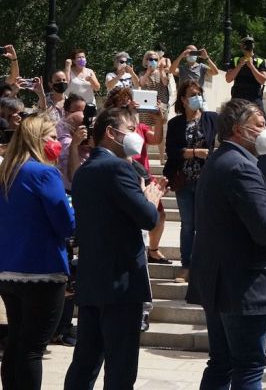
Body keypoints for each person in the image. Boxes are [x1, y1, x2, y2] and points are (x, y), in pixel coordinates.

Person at [185, 98, 266, 390]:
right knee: (249, 366)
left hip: (219, 283)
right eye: (259, 125)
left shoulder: (219, 160)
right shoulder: (242, 167)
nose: (265, 130)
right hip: (242, 287)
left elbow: (247, 215)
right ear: (238, 130)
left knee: (221, 363)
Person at [63, 107, 167, 390]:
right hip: (120, 283)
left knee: (85, 360)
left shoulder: (84, 171)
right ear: (111, 132)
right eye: (130, 128)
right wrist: (150, 197)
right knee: (120, 365)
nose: (136, 135)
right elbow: (147, 218)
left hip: (92, 278)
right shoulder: (118, 168)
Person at [0, 114, 74, 390]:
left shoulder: (6, 170)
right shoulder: (45, 173)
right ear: (38, 139)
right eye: (53, 137)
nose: (56, 143)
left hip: (8, 269)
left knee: (16, 342)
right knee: (33, 348)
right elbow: (65, 224)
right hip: (42, 269)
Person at [103, 87, 168, 266]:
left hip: (143, 175)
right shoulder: (112, 128)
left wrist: (158, 119)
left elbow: (156, 140)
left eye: (129, 100)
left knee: (160, 215)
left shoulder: (138, 126)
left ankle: (153, 250)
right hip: (124, 174)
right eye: (122, 101)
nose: (127, 103)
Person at [163, 80, 217, 283]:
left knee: (205, 224)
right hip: (183, 181)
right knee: (187, 224)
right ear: (184, 100)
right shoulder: (175, 123)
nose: (197, 97)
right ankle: (187, 265)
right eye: (193, 94)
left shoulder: (212, 119)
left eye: (199, 93)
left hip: (207, 181)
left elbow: (218, 145)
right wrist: (194, 152)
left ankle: (204, 264)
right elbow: (172, 152)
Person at [56, 94, 88, 191]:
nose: (81, 115)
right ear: (66, 113)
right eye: (77, 111)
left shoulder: (90, 129)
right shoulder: (59, 133)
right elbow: (73, 177)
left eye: (84, 111)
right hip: (69, 190)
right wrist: (75, 144)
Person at [226, 36, 266, 109]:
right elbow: (228, 79)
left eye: (250, 44)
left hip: (254, 99)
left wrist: (252, 66)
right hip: (238, 98)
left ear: (253, 46)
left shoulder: (260, 61)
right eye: (246, 43)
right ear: (242, 46)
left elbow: (262, 80)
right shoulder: (236, 60)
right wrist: (239, 65)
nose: (248, 46)